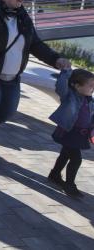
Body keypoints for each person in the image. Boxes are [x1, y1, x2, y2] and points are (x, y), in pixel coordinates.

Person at [0, 0, 71, 172]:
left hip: (12, 77)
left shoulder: (23, 16)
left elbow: (35, 44)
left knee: (6, 113)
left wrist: (56, 59)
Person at [48, 69, 94, 197]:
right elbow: (61, 86)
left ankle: (54, 174)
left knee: (65, 155)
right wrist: (66, 71)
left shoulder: (89, 100)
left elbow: (91, 116)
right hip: (68, 133)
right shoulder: (69, 96)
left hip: (79, 135)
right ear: (77, 85)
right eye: (90, 85)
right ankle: (69, 185)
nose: (93, 88)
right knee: (76, 159)